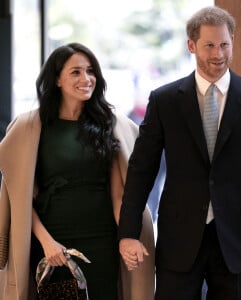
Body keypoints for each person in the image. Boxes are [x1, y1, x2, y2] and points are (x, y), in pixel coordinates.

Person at [118, 6, 241, 300]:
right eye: (209, 45)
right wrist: (128, 232)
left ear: (233, 40)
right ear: (191, 45)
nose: (218, 54)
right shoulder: (165, 101)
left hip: (235, 240)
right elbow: (141, 169)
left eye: (224, 44)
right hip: (178, 238)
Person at [0, 42, 155, 300]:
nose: (86, 78)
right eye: (76, 72)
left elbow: (118, 195)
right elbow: (20, 197)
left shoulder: (109, 124)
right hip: (52, 240)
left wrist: (128, 237)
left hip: (101, 240)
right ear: (57, 79)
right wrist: (46, 242)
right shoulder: (30, 127)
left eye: (91, 71)